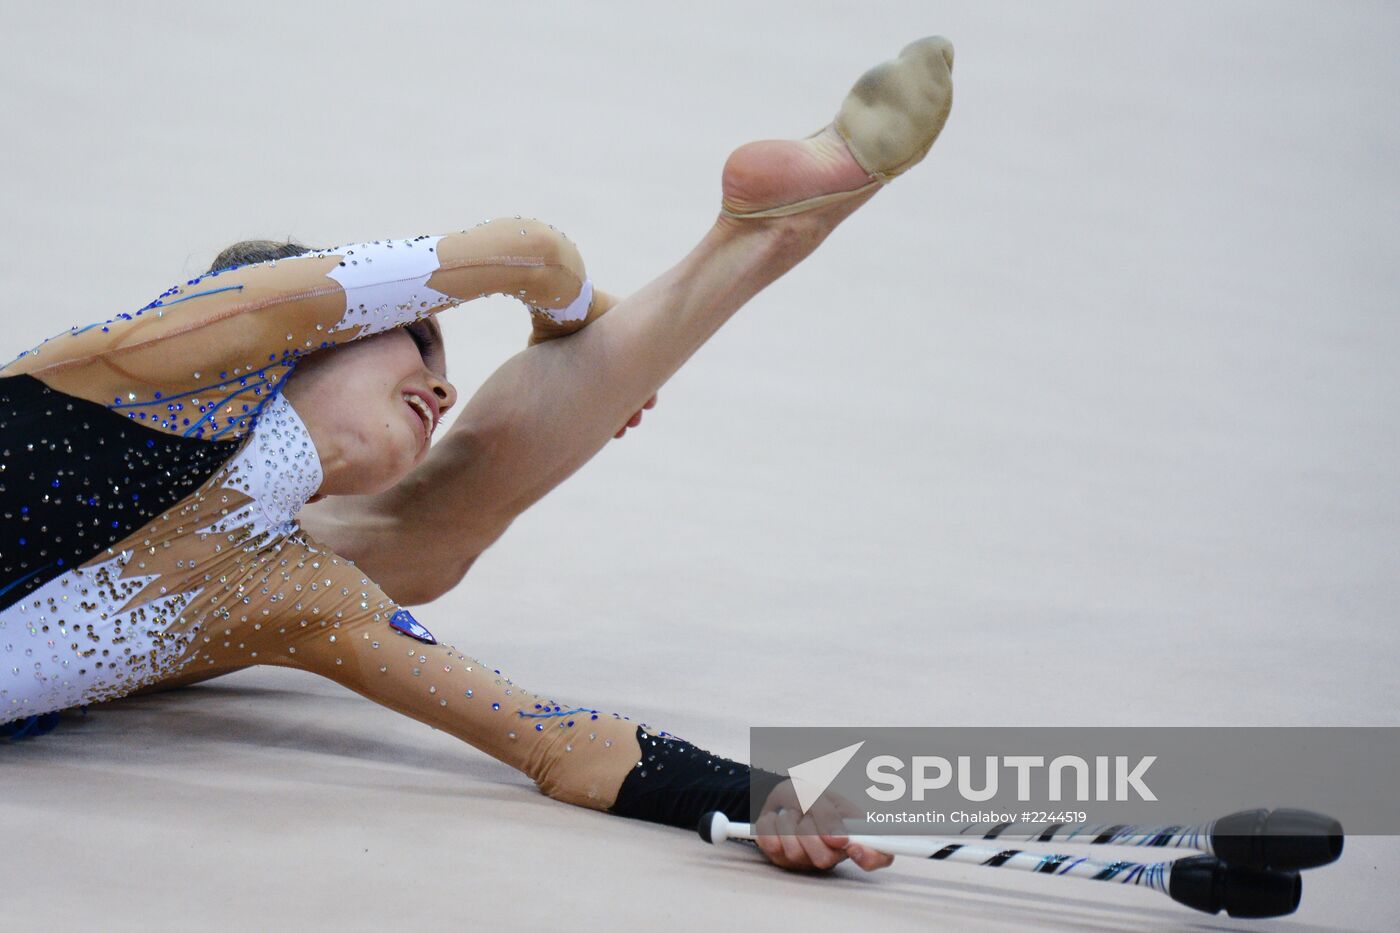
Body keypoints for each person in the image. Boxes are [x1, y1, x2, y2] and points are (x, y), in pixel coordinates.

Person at [0, 36, 953, 873]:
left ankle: (765, 235)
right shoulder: (148, 369)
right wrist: (580, 317)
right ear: (315, 336)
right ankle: (760, 232)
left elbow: (553, 741)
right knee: (408, 537)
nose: (443, 387)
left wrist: (763, 798)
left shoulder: (284, 586)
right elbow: (526, 249)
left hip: (202, 567)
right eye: (417, 340)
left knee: (414, 545)